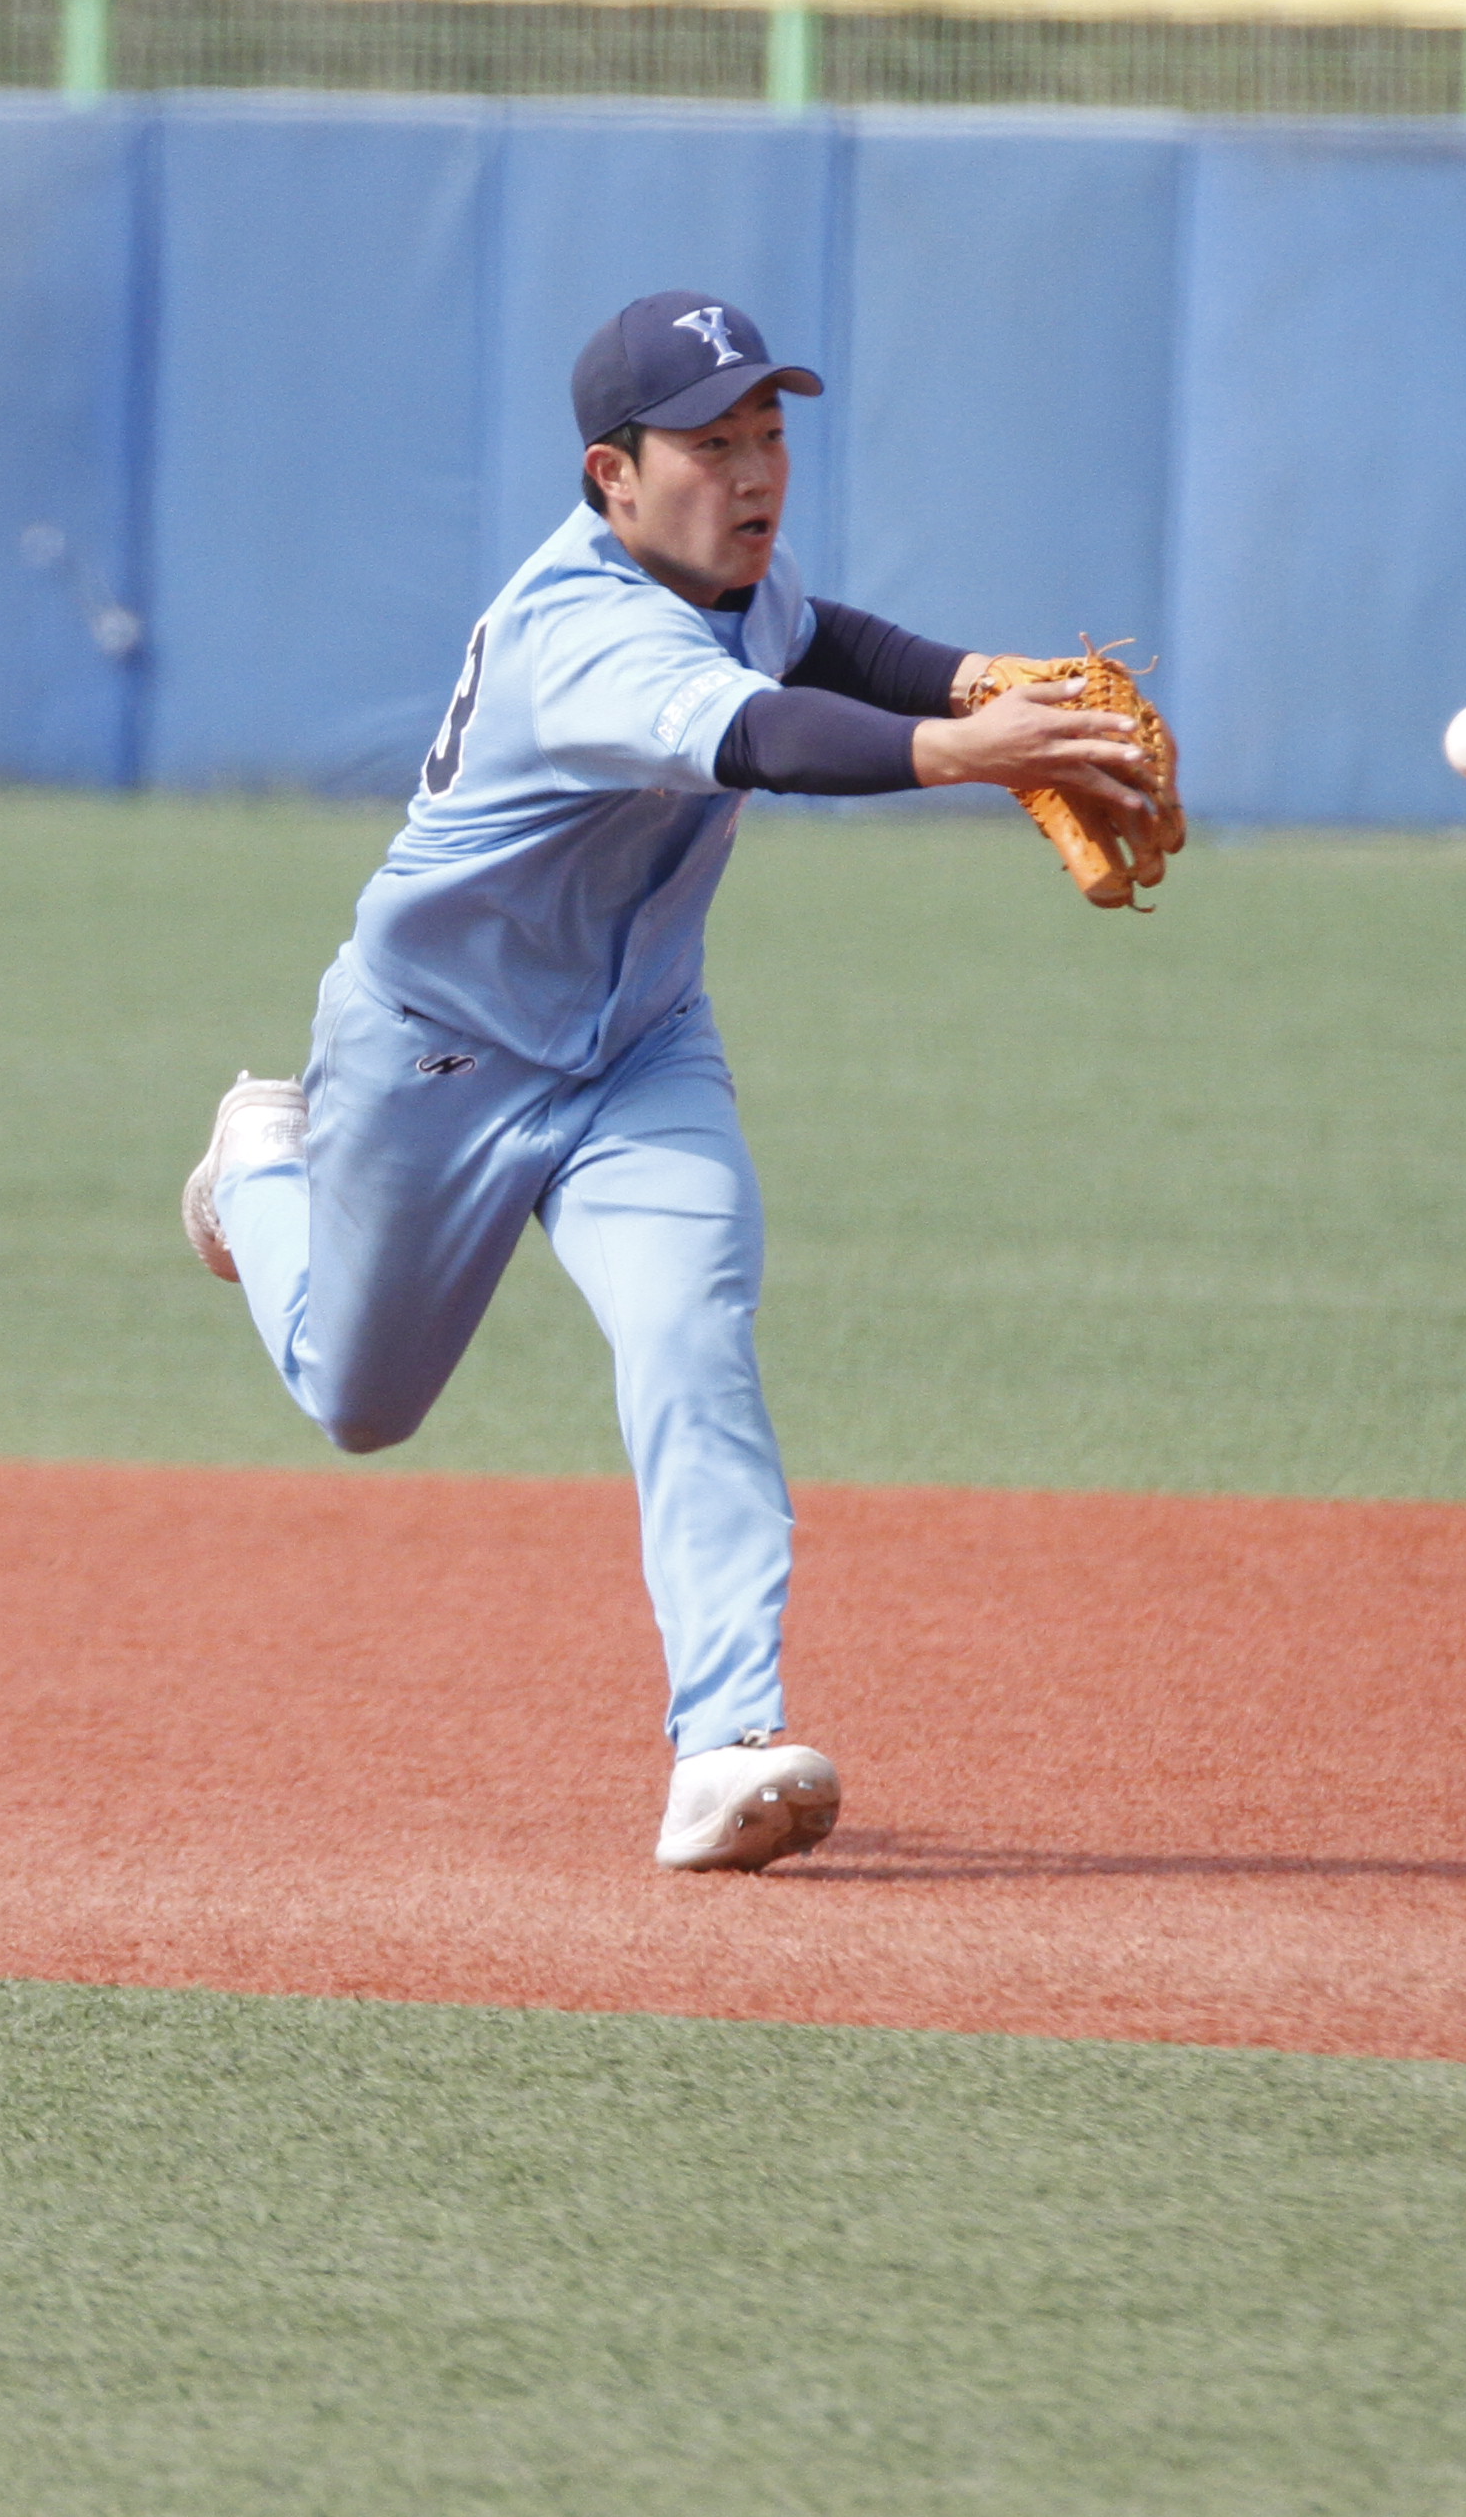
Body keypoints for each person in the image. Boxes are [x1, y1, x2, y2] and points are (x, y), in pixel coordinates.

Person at [177, 289, 1162, 1871]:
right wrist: (965, 754)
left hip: (639, 1050)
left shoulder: (729, 576)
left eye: (770, 431)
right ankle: (255, 1168)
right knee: (358, 1400)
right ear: (613, 477)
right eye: (711, 444)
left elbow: (820, 641)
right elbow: (765, 733)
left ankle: (726, 1746)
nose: (755, 470)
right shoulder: (582, 633)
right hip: (436, 1055)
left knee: (690, 1327)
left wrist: (976, 679)